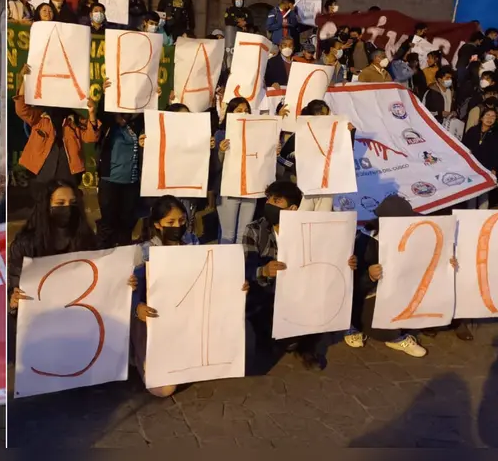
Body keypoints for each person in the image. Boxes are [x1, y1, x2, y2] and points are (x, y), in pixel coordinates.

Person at [131, 196, 249, 396]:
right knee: (164, 389)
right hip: (153, 321)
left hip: (186, 319)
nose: (177, 226)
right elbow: (131, 290)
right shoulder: (144, 251)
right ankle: (137, 353)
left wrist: (235, 286)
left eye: (182, 221)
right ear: (158, 224)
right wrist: (137, 307)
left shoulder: (192, 242)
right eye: (171, 222)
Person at [243, 181, 353, 370]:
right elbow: (246, 269)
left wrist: (346, 263)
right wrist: (263, 271)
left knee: (316, 304)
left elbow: (328, 262)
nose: (269, 204)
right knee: (271, 337)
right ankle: (274, 339)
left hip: (302, 295)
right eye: (268, 199)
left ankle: (307, 348)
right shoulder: (254, 229)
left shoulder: (312, 230)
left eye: (276, 201)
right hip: (267, 295)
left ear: (293, 209)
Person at [7, 178, 98, 361]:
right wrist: (13, 299)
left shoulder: (87, 238)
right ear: (46, 207)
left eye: (72, 203)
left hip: (79, 324)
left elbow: (100, 279)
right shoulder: (25, 243)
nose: (67, 208)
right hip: (40, 331)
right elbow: (14, 284)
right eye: (60, 203)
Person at [345, 196, 430, 357]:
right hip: (371, 297)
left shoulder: (417, 237)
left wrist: (447, 263)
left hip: (406, 290)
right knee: (384, 328)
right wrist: (369, 276)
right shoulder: (366, 241)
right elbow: (351, 284)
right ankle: (360, 327)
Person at [14, 64, 101, 200]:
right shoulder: (40, 116)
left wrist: (91, 113)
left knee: (66, 209)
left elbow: (91, 137)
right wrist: (25, 79)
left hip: (68, 173)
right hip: (41, 172)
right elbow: (21, 108)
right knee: (41, 208)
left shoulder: (75, 119)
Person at [95, 107, 145, 249]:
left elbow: (155, 116)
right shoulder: (108, 126)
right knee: (108, 224)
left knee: (127, 225)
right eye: (121, 114)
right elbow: (101, 112)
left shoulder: (137, 124)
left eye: (127, 115)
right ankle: (103, 255)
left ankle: (123, 257)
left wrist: (154, 94)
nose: (124, 118)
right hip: (110, 182)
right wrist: (106, 93)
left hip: (131, 182)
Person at [215, 97, 258, 243]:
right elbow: (214, 165)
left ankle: (240, 264)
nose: (243, 114)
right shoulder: (221, 134)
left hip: (250, 189)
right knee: (228, 235)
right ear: (230, 113)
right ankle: (225, 265)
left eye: (246, 111)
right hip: (229, 190)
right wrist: (220, 151)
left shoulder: (256, 133)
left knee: (243, 235)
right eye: (239, 111)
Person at [463, 106, 498, 209]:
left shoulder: (497, 133)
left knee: (484, 194)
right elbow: (464, 147)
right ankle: (471, 216)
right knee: (472, 194)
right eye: (488, 115)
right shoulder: (472, 130)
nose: (490, 118)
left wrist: (494, 168)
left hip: (487, 168)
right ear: (481, 118)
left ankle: (483, 217)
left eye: (493, 117)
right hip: (472, 167)